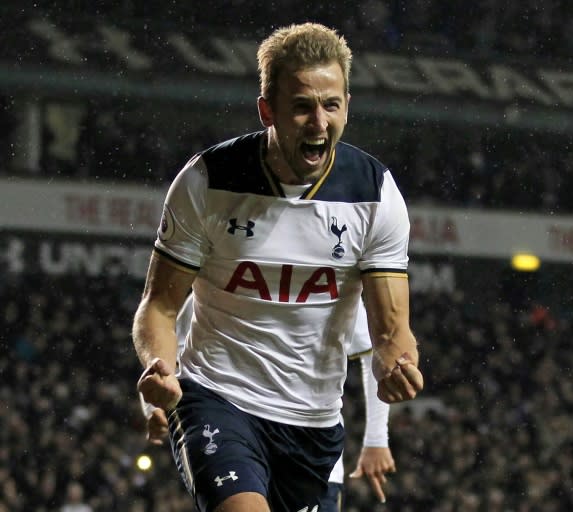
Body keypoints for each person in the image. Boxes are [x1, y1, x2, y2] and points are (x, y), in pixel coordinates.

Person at [131, 22, 423, 512]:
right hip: (218, 397)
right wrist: (159, 369)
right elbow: (159, 307)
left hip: (313, 422)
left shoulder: (374, 194)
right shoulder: (209, 181)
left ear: (347, 105)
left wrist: (399, 365)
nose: (318, 123)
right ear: (267, 109)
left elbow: (392, 330)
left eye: (331, 105)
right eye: (302, 106)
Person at [141, 296, 396, 510]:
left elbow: (375, 351)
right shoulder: (218, 281)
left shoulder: (333, 285)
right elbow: (166, 347)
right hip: (233, 428)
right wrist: (154, 406)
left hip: (308, 448)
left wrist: (376, 439)